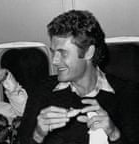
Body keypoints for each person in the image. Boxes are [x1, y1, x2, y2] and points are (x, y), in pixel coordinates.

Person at [18, 10, 139, 144]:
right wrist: (38, 134)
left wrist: (114, 134)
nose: (54, 61)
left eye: (63, 53)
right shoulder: (42, 91)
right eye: (53, 53)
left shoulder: (128, 93)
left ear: (88, 52)